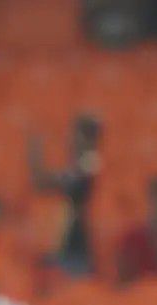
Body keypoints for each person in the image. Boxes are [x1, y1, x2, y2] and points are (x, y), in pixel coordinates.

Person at [28, 113, 101, 276]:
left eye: (77, 134)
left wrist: (36, 150)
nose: (71, 139)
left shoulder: (91, 166)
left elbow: (43, 181)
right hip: (64, 246)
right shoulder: (79, 168)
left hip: (77, 250)